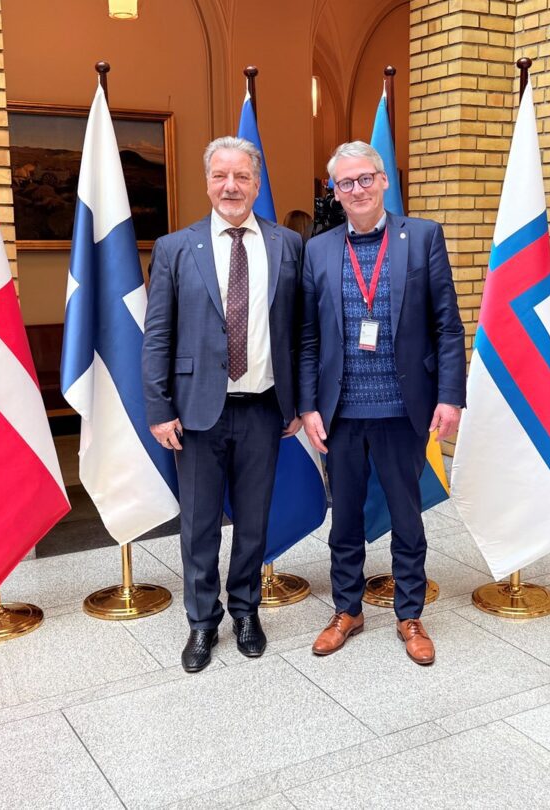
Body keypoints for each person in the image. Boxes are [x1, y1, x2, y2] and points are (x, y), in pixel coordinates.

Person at [299, 142, 465, 666]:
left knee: (407, 518)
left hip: (403, 409)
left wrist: (450, 396)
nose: (358, 189)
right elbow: (307, 336)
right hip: (341, 413)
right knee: (344, 519)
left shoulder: (423, 237)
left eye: (366, 178)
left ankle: (409, 614)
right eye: (346, 183)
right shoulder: (318, 250)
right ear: (335, 192)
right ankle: (346, 610)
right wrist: (308, 406)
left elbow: (448, 326)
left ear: (384, 179)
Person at [142, 136, 303, 673]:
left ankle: (246, 611)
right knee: (199, 524)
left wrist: (298, 402)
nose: (231, 186)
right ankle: (202, 621)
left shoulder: (287, 245)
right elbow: (158, 335)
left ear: (256, 184)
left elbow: (300, 332)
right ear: (207, 182)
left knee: (254, 521)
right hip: (195, 412)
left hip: (263, 408)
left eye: (242, 177)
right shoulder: (175, 248)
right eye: (220, 176)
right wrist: (159, 408)